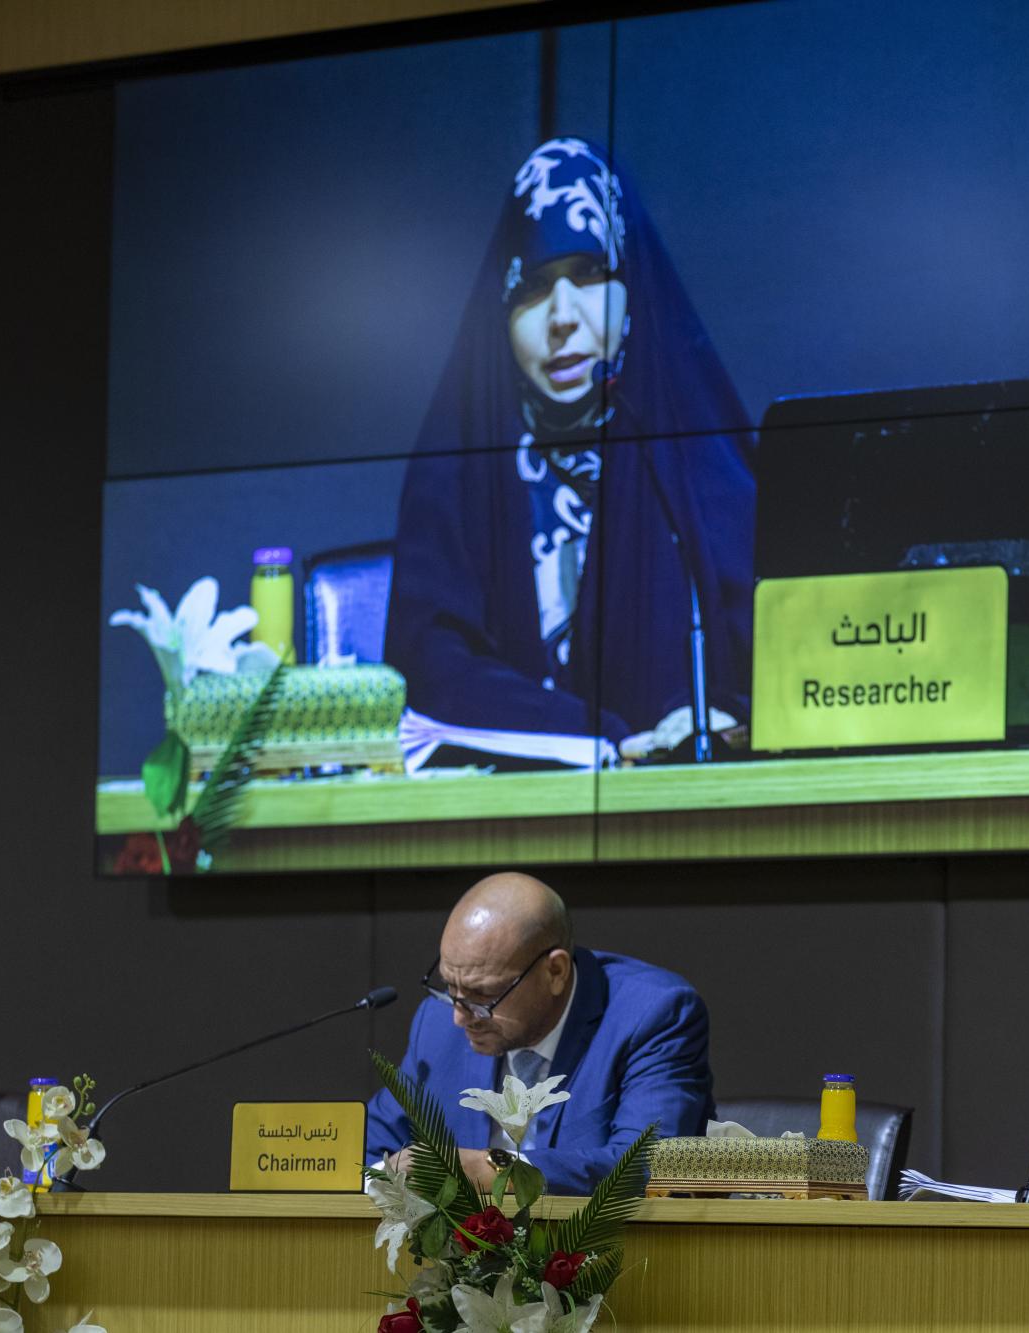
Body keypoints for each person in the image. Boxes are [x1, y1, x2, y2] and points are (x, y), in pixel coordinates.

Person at [387, 136, 755, 769]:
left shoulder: (696, 460)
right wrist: (590, 735)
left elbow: (786, 659)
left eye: (589, 274)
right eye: (532, 287)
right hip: (511, 808)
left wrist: (721, 717)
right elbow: (427, 670)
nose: (561, 316)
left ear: (633, 288)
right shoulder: (459, 466)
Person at [366, 871, 713, 1193]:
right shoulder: (438, 1022)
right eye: (449, 986)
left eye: (483, 994)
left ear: (556, 972)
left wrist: (494, 1169)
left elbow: (650, 1164)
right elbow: (368, 1148)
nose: (460, 1016)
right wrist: (380, 1179)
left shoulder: (652, 1014)